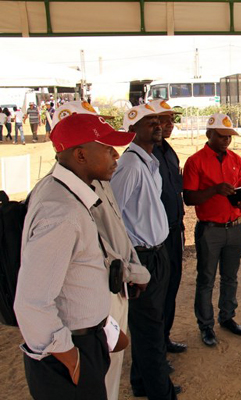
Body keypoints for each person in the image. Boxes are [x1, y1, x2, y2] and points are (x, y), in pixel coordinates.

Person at [14, 112, 136, 400]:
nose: (116, 155)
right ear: (80, 155)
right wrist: (68, 354)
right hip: (69, 350)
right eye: (107, 148)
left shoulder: (65, 192)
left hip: (85, 338)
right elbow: (31, 301)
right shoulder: (62, 213)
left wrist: (103, 327)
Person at [50, 100, 152, 400]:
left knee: (110, 369)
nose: (114, 152)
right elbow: (34, 296)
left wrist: (132, 270)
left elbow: (116, 230)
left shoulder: (95, 179)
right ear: (78, 149)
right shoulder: (60, 202)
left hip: (115, 285)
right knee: (97, 375)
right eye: (103, 142)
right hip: (92, 299)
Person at [111, 104, 180, 399]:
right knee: (150, 331)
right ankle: (161, 392)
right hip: (142, 255)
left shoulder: (150, 162)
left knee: (150, 324)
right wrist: (129, 261)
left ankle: (141, 382)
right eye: (148, 122)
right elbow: (111, 214)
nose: (156, 125)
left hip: (159, 251)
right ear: (131, 129)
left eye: (157, 120)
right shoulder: (129, 166)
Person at [183, 113, 241, 348]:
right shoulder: (195, 161)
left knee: (230, 277)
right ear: (208, 134)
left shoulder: (236, 159)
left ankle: (227, 317)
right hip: (209, 230)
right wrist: (214, 190)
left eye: (229, 136)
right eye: (221, 136)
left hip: (235, 228)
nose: (226, 141)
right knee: (206, 279)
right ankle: (206, 326)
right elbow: (189, 198)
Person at [150, 100, 187, 354]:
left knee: (171, 287)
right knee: (156, 295)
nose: (168, 125)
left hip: (174, 230)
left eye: (171, 120)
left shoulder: (169, 152)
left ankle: (164, 339)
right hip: (154, 238)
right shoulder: (144, 155)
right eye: (163, 120)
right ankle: (154, 348)